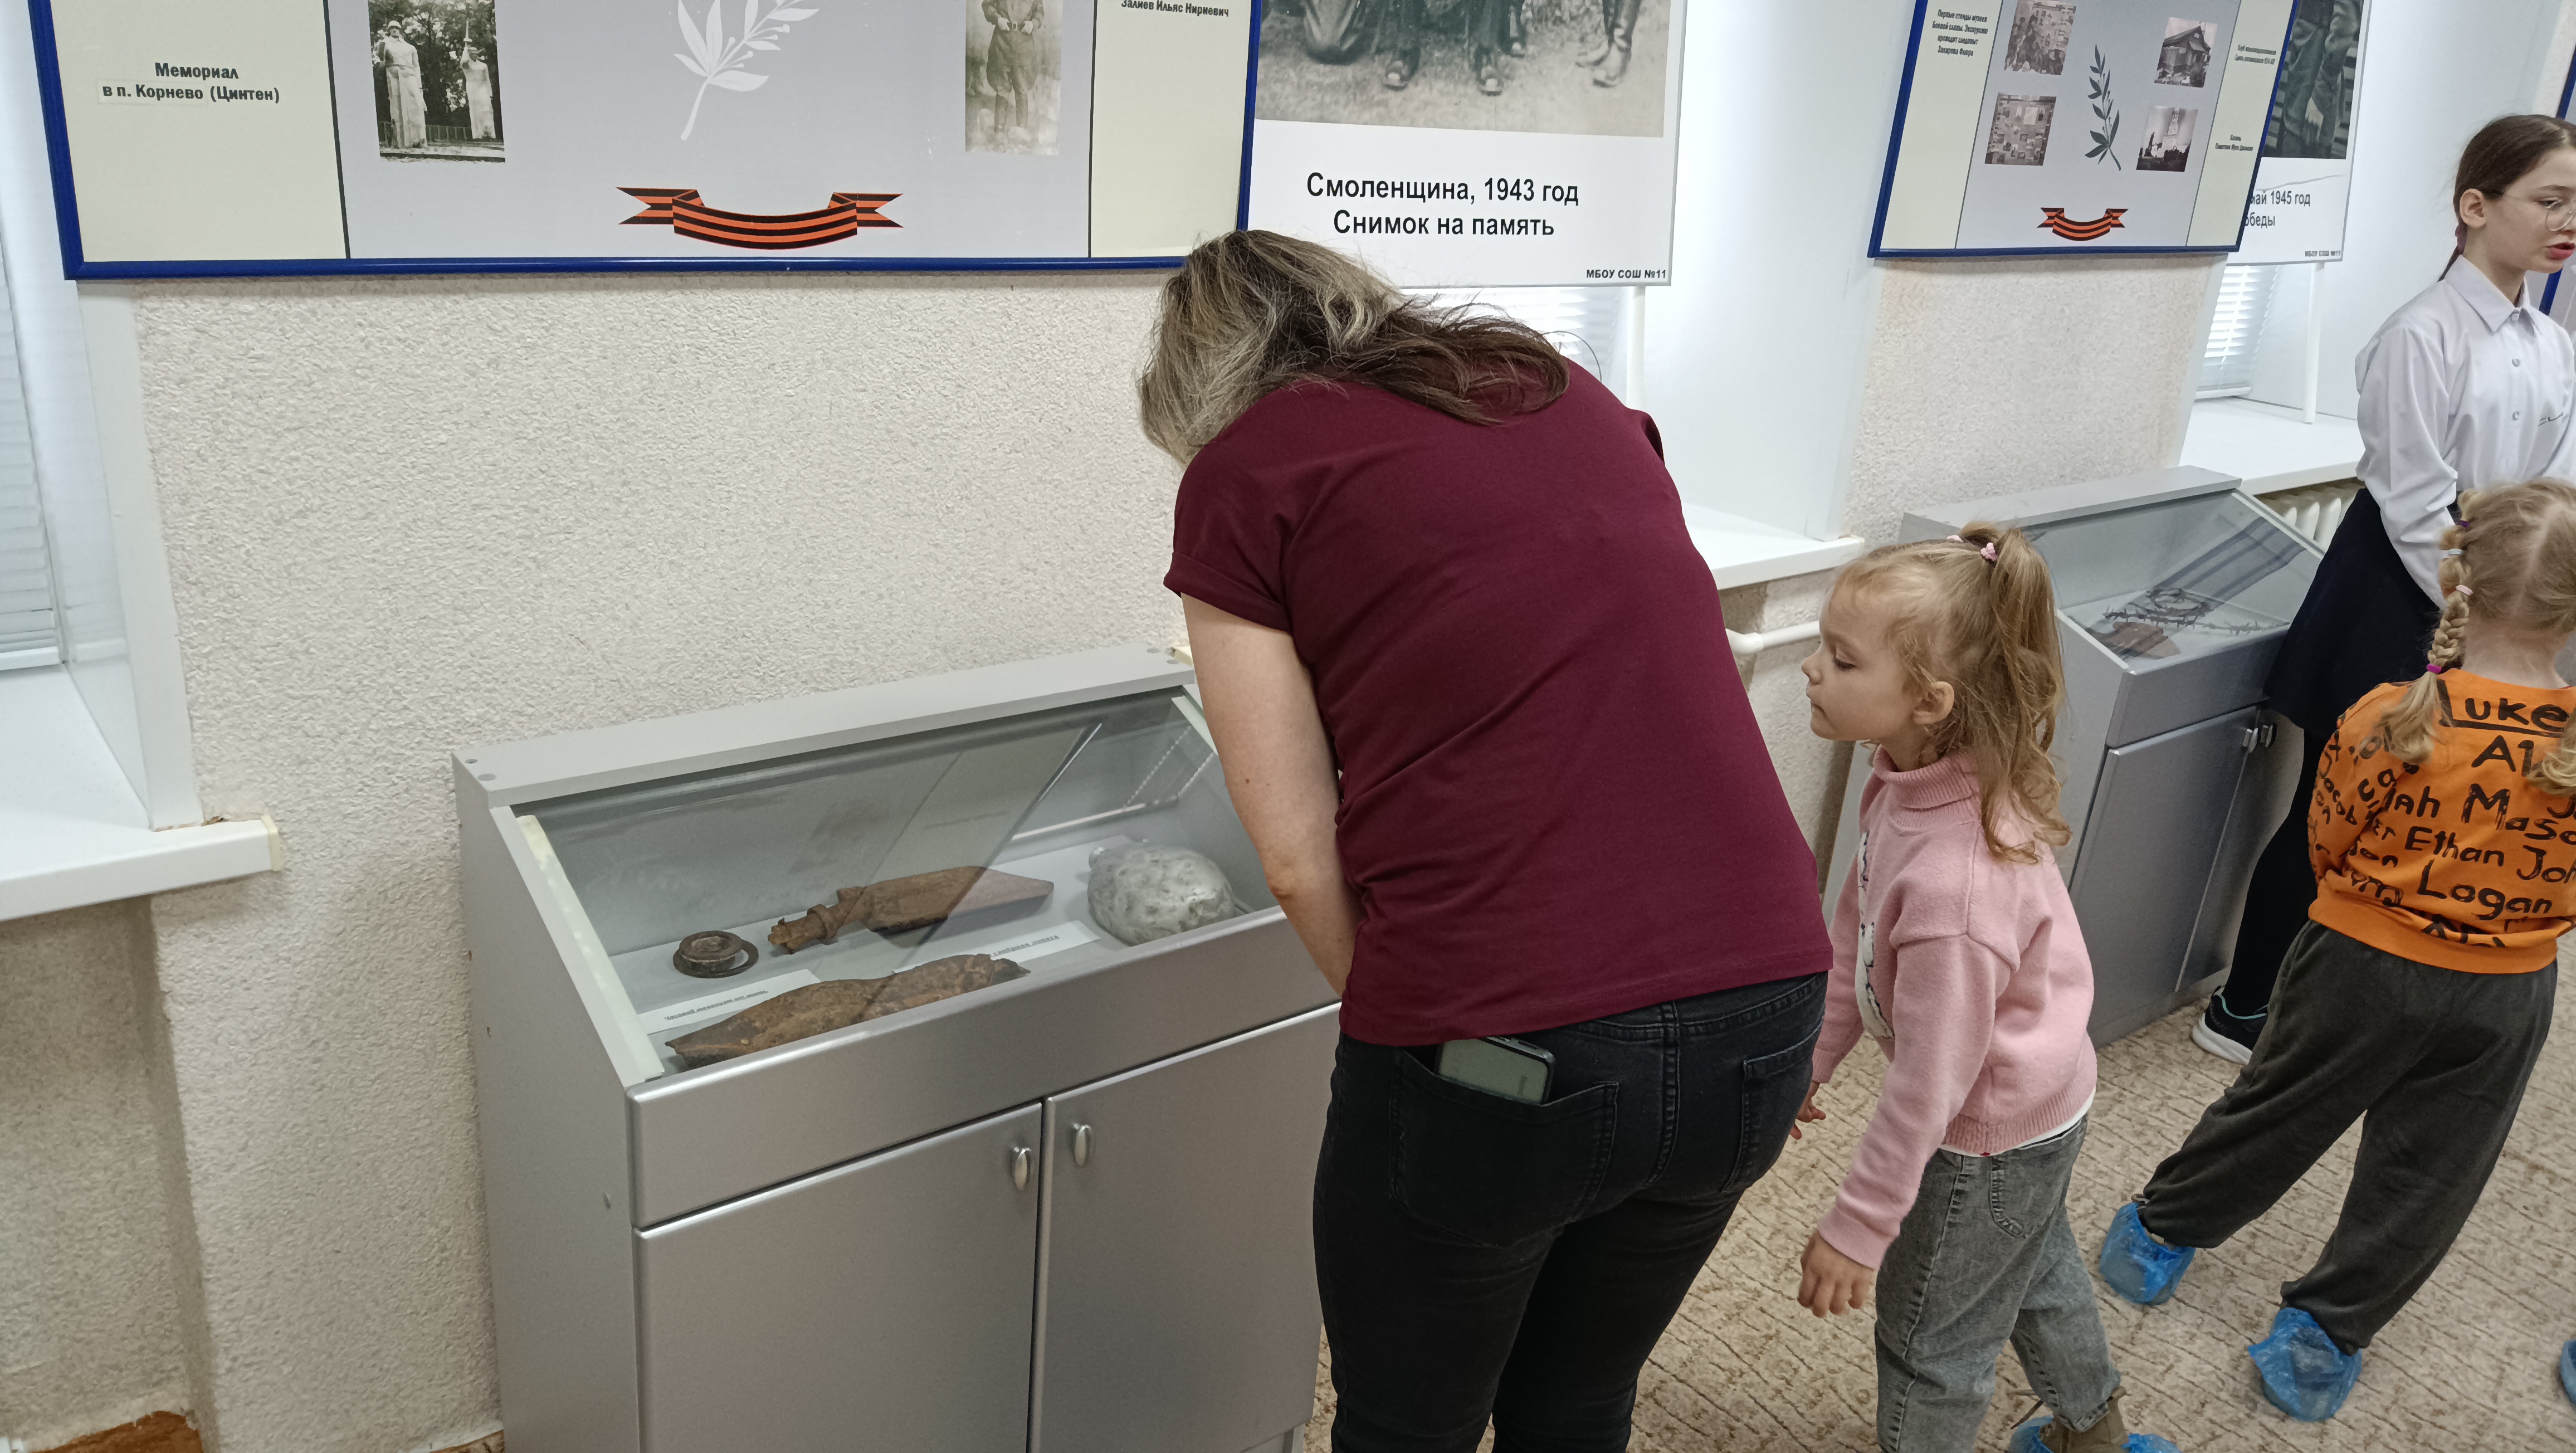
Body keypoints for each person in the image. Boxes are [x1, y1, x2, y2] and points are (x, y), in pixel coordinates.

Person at [1141, 230, 1832, 1453]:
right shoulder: (1570, 390)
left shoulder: (1248, 472)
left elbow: (1294, 851)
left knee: (1409, 1422)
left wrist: (1424, 1034)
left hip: (1504, 1052)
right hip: (1768, 1008)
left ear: (1202, 383)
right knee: (1579, 1401)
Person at [2100, 480, 2576, 1423]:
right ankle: (2327, 1332)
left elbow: (2328, 843)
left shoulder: (2388, 716)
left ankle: (2162, 1228)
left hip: (2359, 960)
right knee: (2432, 1176)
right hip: (2507, 993)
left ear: (2457, 583)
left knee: (2276, 1107)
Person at [2198, 114, 2576, 1062]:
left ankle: (2350, 1000)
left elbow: (2549, 489)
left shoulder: (2549, 338)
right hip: (2402, 585)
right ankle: (2242, 1006)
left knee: (2431, 808)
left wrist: (2525, 608)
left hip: (2495, 596)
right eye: (2550, 200)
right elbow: (2414, 503)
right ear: (2475, 206)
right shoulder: (2421, 332)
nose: (2567, 221)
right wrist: (2480, 614)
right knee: (2337, 799)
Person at [1793, 530, 2180, 1453]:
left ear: (1929, 700)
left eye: (1842, 658)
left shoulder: (1954, 892)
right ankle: (2095, 1434)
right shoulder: (1903, 781)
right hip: (2035, 1099)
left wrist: (1861, 1224)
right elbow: (1854, 936)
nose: (1811, 669)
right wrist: (1812, 1060)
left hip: (1985, 1133)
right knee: (2031, 1268)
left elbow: (1931, 1082)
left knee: (1931, 1340)